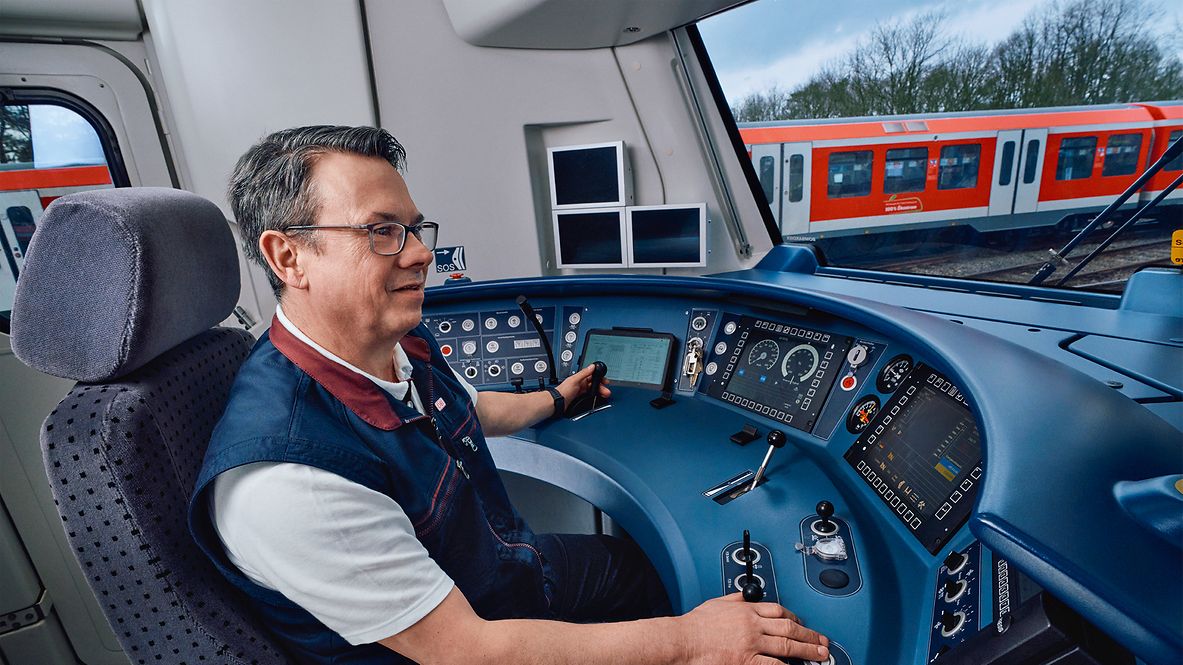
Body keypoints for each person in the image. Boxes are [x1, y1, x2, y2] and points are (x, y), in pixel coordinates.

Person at [188, 125, 830, 664]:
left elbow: (468, 410)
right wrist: (692, 641)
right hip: (471, 643)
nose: (420, 255)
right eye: (381, 231)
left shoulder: (388, 347)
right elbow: (469, 651)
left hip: (506, 572)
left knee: (650, 567)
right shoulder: (291, 479)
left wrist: (555, 398)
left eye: (415, 228)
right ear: (288, 257)